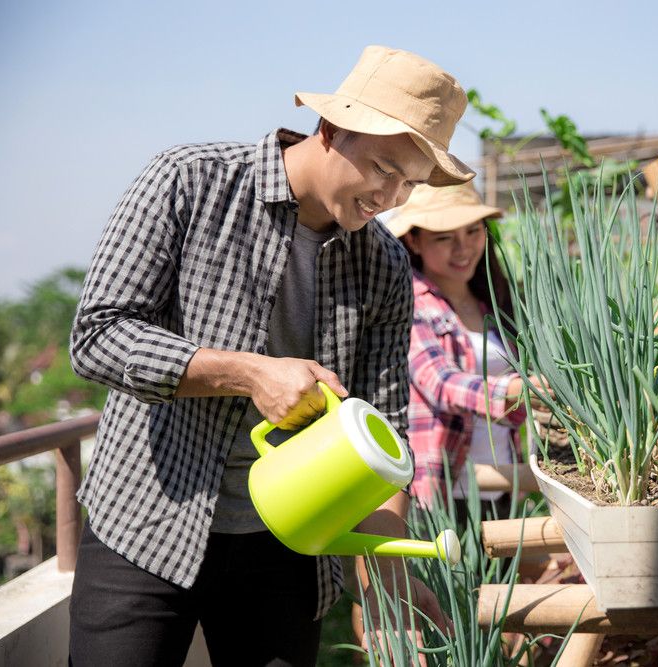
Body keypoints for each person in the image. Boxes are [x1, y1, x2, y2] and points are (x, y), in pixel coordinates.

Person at [68, 45, 471, 666]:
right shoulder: (189, 180)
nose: (390, 196)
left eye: (410, 182)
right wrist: (249, 372)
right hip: (146, 520)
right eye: (384, 168)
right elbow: (97, 336)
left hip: (290, 544)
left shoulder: (386, 263)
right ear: (332, 129)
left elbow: (384, 432)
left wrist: (385, 570)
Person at [385, 183, 541, 511]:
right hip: (445, 490)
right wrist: (519, 389)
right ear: (414, 240)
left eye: (473, 232)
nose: (463, 248)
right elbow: (440, 384)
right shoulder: (409, 300)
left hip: (502, 486)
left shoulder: (494, 303)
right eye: (444, 237)